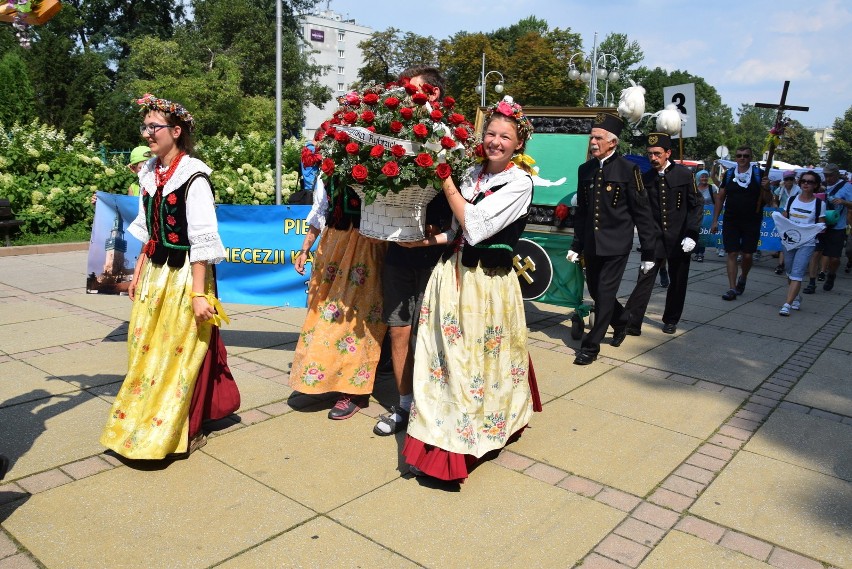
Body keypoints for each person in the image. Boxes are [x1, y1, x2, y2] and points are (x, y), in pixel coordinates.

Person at [401, 96, 540, 482]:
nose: (495, 141)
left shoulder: (519, 183)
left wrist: (444, 179)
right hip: (453, 277)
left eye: (505, 136)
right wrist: (424, 243)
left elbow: (478, 225)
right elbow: (459, 231)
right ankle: (436, 438)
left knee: (476, 364)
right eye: (490, 133)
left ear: (518, 144)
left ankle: (469, 439)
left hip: (489, 286)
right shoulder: (472, 175)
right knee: (441, 360)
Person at [101, 94, 240, 459]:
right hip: (155, 275)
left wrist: (199, 295)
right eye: (145, 126)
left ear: (176, 132)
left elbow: (202, 241)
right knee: (145, 348)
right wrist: (137, 274)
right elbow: (149, 233)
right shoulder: (150, 173)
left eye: (154, 127)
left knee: (178, 353)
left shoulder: (193, 177)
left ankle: (181, 428)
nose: (148, 133)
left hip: (184, 279)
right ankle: (143, 419)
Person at [373, 66, 453, 437]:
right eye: (405, 92)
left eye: (415, 91)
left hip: (437, 254)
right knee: (399, 331)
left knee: (434, 334)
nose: (407, 98)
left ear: (434, 95)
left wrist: (432, 232)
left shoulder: (456, 139)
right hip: (399, 251)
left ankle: (433, 404)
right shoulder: (390, 134)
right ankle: (404, 406)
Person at [288, 155, 388, 420]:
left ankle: (353, 390)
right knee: (323, 314)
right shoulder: (328, 170)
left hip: (365, 245)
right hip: (333, 245)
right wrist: (305, 247)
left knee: (356, 318)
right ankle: (331, 375)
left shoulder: (377, 164)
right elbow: (321, 212)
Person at [566, 112, 657, 365]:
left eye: (598, 138)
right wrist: (577, 244)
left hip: (617, 244)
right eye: (591, 137)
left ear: (613, 142)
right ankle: (622, 320)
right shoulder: (585, 169)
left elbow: (642, 212)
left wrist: (649, 252)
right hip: (593, 244)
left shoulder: (630, 170)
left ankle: (591, 346)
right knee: (596, 291)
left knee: (605, 292)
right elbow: (583, 211)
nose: (593, 142)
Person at [614, 133, 702, 337]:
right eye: (650, 154)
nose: (653, 158)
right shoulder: (646, 178)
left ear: (668, 153)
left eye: (657, 154)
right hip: (655, 238)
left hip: (680, 238)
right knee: (645, 278)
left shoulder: (684, 175)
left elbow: (696, 205)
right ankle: (632, 322)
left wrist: (692, 233)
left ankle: (671, 319)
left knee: (678, 281)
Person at [711, 146, 773, 301]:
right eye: (739, 155)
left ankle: (743, 277)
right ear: (735, 158)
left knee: (747, 255)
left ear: (751, 157)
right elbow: (720, 197)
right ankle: (732, 288)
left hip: (752, 220)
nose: (742, 158)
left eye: (746, 156)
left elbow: (769, 201)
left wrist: (766, 188)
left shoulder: (759, 175)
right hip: (731, 219)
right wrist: (715, 220)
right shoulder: (729, 174)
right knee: (731, 253)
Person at [774, 170, 825, 315]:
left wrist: (820, 227)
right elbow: (785, 217)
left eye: (810, 182)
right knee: (789, 271)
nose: (806, 184)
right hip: (789, 241)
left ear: (816, 185)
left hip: (807, 243)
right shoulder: (791, 200)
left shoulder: (819, 204)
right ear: (799, 183)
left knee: (797, 273)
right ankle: (796, 297)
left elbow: (821, 224)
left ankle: (787, 305)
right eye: (803, 181)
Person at [814, 163, 852, 292]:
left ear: (837, 174)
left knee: (834, 258)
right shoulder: (822, 186)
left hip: (838, 226)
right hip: (821, 225)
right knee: (815, 254)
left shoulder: (846, 187)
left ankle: (831, 274)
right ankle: (812, 282)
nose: (827, 178)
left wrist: (844, 202)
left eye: (830, 176)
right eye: (825, 175)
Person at [772, 170, 800, 274]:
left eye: (791, 179)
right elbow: (774, 199)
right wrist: (775, 204)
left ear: (794, 180)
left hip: (793, 217)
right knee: (783, 239)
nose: (788, 181)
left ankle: (788, 263)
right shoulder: (781, 189)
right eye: (786, 179)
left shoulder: (798, 190)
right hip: (782, 216)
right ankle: (781, 264)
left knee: (790, 240)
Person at [692, 169, 717, 262]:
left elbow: (717, 201)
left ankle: (700, 254)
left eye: (706, 176)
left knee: (703, 234)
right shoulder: (695, 188)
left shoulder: (712, 188)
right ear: (698, 178)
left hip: (708, 215)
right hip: (696, 214)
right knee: (696, 233)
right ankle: (696, 252)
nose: (704, 178)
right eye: (702, 176)